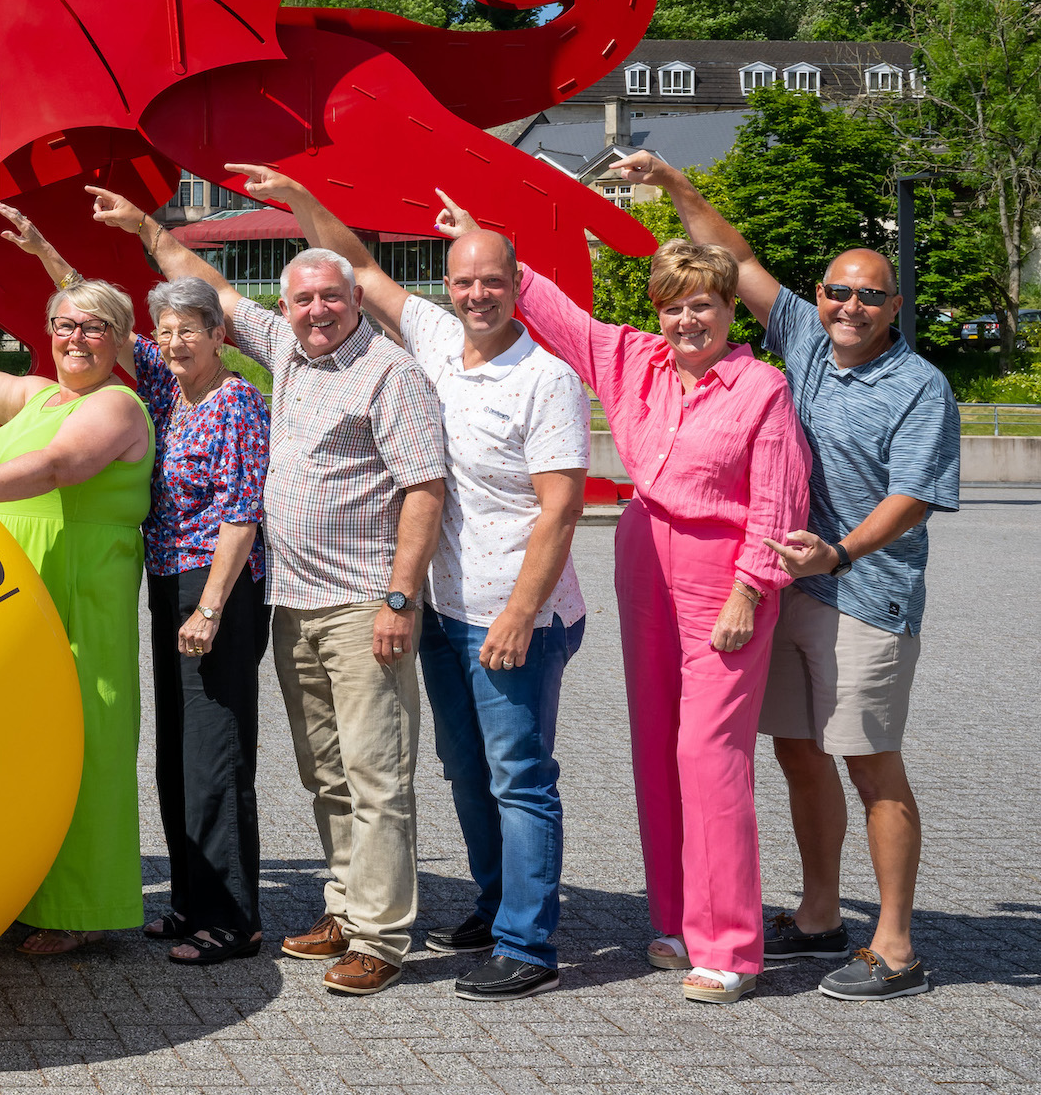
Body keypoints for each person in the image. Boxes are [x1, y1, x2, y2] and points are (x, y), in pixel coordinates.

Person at [440, 191, 812, 1004]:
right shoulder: (633, 358)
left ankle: (731, 946)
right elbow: (555, 312)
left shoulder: (762, 392)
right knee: (655, 744)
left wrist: (752, 591)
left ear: (726, 312)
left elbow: (779, 508)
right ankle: (677, 922)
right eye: (675, 307)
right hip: (645, 551)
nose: (688, 322)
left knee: (708, 757)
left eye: (704, 307)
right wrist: (479, 237)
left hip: (727, 571)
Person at [232, 164, 588, 1002]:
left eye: (492, 282)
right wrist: (301, 202)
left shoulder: (546, 380)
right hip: (442, 605)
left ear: (518, 286)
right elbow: (360, 268)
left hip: (513, 610)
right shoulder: (433, 337)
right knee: (464, 770)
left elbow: (561, 511)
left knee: (519, 774)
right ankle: (495, 903)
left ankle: (528, 944)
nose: (476, 295)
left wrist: (521, 612)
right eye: (464, 281)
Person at [84, 187, 447, 997]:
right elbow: (203, 289)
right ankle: (346, 909)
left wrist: (399, 597)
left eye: (329, 296)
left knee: (377, 772)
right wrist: (146, 228)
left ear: (356, 298)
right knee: (326, 772)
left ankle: (381, 938)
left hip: (363, 602)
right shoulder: (286, 348)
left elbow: (425, 488)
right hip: (295, 599)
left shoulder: (391, 374)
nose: (316, 310)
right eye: (302, 299)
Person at [618, 151, 959, 1002]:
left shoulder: (919, 385)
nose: (848, 307)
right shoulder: (803, 337)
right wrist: (677, 187)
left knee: (870, 762)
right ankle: (817, 917)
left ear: (894, 308)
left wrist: (840, 553)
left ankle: (895, 944)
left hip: (864, 594)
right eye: (838, 292)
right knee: (798, 755)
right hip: (783, 585)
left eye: (868, 296)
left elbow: (914, 496)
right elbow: (736, 262)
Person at [0, 205, 271, 967]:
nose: (175, 342)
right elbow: (97, 319)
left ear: (221, 337)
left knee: (215, 749)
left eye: (191, 330)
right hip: (167, 583)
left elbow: (242, 515)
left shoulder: (235, 401)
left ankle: (233, 919)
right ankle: (188, 902)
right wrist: (47, 247)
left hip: (217, 588)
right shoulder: (164, 383)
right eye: (168, 331)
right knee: (177, 750)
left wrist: (211, 608)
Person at [0, 238, 154, 955]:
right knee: (14, 737)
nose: (76, 338)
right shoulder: (36, 394)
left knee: (86, 738)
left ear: (118, 341)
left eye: (94, 327)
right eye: (65, 325)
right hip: (15, 580)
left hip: (81, 580)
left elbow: (58, 466)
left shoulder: (118, 405)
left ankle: (80, 910)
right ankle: (15, 889)